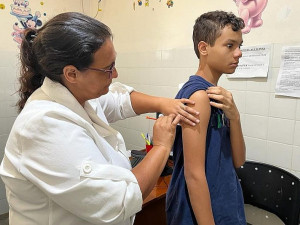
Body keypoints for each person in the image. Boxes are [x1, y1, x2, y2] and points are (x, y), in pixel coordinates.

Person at [0, 12, 200, 225]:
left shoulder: (79, 95)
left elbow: (119, 100)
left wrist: (163, 103)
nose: (115, 75)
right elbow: (117, 201)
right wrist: (160, 146)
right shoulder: (43, 125)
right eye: (108, 68)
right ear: (72, 74)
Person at [166, 10, 247, 225]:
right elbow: (193, 175)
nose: (238, 53)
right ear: (204, 48)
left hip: (223, 195)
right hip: (202, 209)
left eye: (240, 46)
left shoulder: (219, 96)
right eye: (230, 46)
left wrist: (235, 117)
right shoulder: (198, 96)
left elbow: (238, 160)